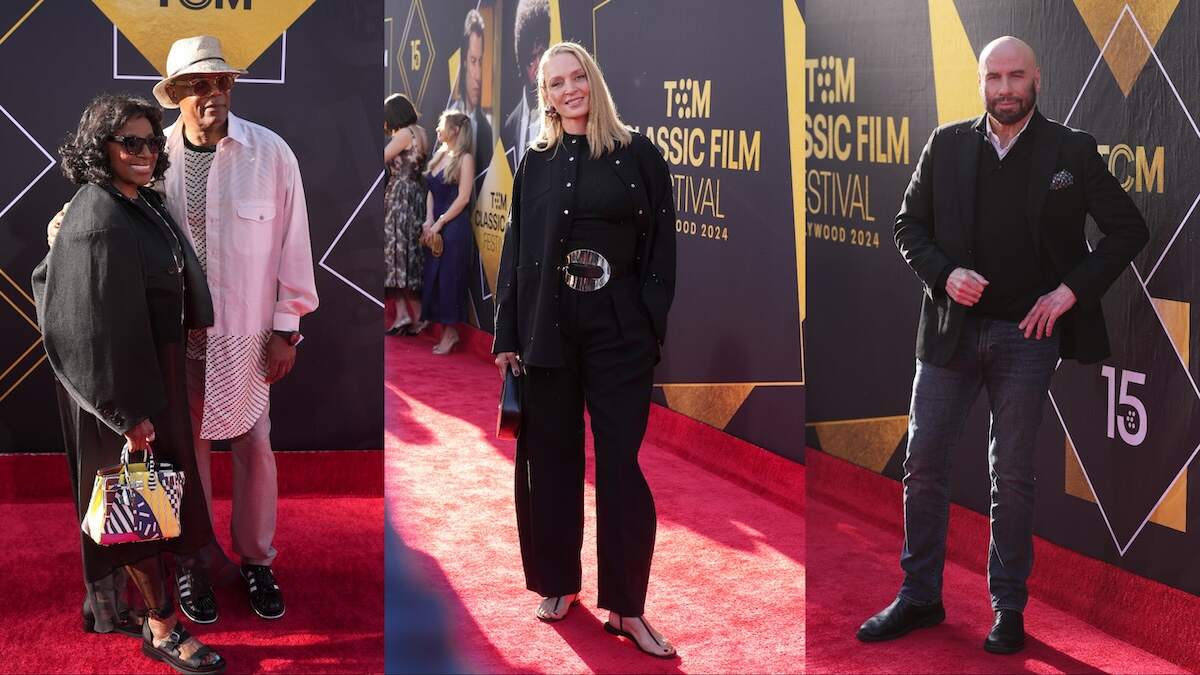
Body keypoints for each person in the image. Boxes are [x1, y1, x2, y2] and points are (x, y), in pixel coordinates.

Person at [857, 36, 1148, 654]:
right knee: (924, 466)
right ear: (981, 81)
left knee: (1010, 478)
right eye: (995, 77)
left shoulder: (1070, 150)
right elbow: (907, 225)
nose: (1005, 88)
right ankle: (919, 597)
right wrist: (944, 274)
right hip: (949, 336)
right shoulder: (946, 145)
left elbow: (1128, 228)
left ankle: (1008, 608)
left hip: (1028, 339)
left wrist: (1070, 292)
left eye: (1016, 76)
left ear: (1036, 79)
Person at [492, 41, 678, 658]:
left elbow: (661, 249)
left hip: (618, 331)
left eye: (577, 77)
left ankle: (627, 607)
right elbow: (517, 251)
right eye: (555, 83)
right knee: (550, 459)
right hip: (549, 329)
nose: (568, 90)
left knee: (620, 467)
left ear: (593, 80)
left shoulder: (638, 154)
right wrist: (507, 335)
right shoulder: (536, 161)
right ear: (543, 94)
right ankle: (557, 583)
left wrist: (648, 321)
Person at [34, 93, 225, 674]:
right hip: (120, 385)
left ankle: (133, 610)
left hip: (150, 371)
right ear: (103, 149)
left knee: (153, 500)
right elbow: (94, 325)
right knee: (134, 504)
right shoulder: (96, 214)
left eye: (150, 141)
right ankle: (163, 628)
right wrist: (128, 412)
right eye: (130, 143)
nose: (145, 153)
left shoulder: (140, 202)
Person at [150, 35, 320, 624]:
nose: (212, 94)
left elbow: (293, 247)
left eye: (221, 82)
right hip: (175, 342)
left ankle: (256, 561)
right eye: (197, 84)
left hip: (247, 339)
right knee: (186, 456)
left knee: (254, 447)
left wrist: (286, 329)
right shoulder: (152, 158)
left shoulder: (271, 154)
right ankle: (195, 563)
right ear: (174, 95)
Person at [418, 111, 475, 355]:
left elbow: (463, 198)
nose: (437, 129)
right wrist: (428, 220)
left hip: (454, 228)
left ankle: (451, 333)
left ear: (454, 131)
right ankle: (442, 329)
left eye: (442, 126)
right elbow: (431, 190)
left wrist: (440, 222)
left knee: (449, 279)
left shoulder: (465, 158)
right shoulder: (440, 154)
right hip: (436, 226)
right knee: (435, 279)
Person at [384, 94, 429, 336]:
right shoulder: (420, 132)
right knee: (405, 257)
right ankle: (405, 315)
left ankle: (413, 316)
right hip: (414, 195)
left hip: (400, 197)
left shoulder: (403, 135)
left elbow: (382, 157)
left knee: (395, 255)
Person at [503, 0, 549, 166]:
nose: (538, 68)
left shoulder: (562, 114)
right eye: (530, 61)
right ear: (520, 65)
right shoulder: (509, 126)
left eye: (542, 54)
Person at [449, 9, 494, 175]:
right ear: (464, 62)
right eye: (473, 61)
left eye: (481, 62)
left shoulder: (486, 129)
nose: (478, 75)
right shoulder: (448, 116)